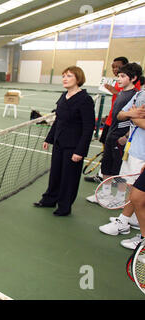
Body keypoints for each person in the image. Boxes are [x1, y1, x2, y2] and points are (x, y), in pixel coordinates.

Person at [33, 66, 95, 216]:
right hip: (59, 143)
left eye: (69, 76)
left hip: (73, 147)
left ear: (78, 79)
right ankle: (49, 199)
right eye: (64, 76)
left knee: (69, 178)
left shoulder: (85, 100)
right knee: (55, 173)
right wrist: (49, 138)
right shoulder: (64, 96)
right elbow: (58, 120)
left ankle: (64, 206)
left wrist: (80, 151)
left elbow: (88, 128)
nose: (65, 79)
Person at [86, 63, 143, 205]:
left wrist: (124, 137)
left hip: (121, 139)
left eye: (123, 76)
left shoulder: (135, 96)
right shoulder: (122, 94)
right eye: (118, 76)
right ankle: (105, 194)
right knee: (106, 166)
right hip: (112, 135)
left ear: (134, 78)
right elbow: (119, 115)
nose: (119, 79)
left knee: (119, 171)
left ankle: (119, 198)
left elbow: (135, 121)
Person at [98, 89, 145, 249]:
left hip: (142, 154)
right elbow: (120, 115)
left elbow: (139, 120)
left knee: (137, 193)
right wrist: (133, 115)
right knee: (132, 187)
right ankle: (129, 220)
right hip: (132, 149)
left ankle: (124, 221)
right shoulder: (140, 93)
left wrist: (134, 117)